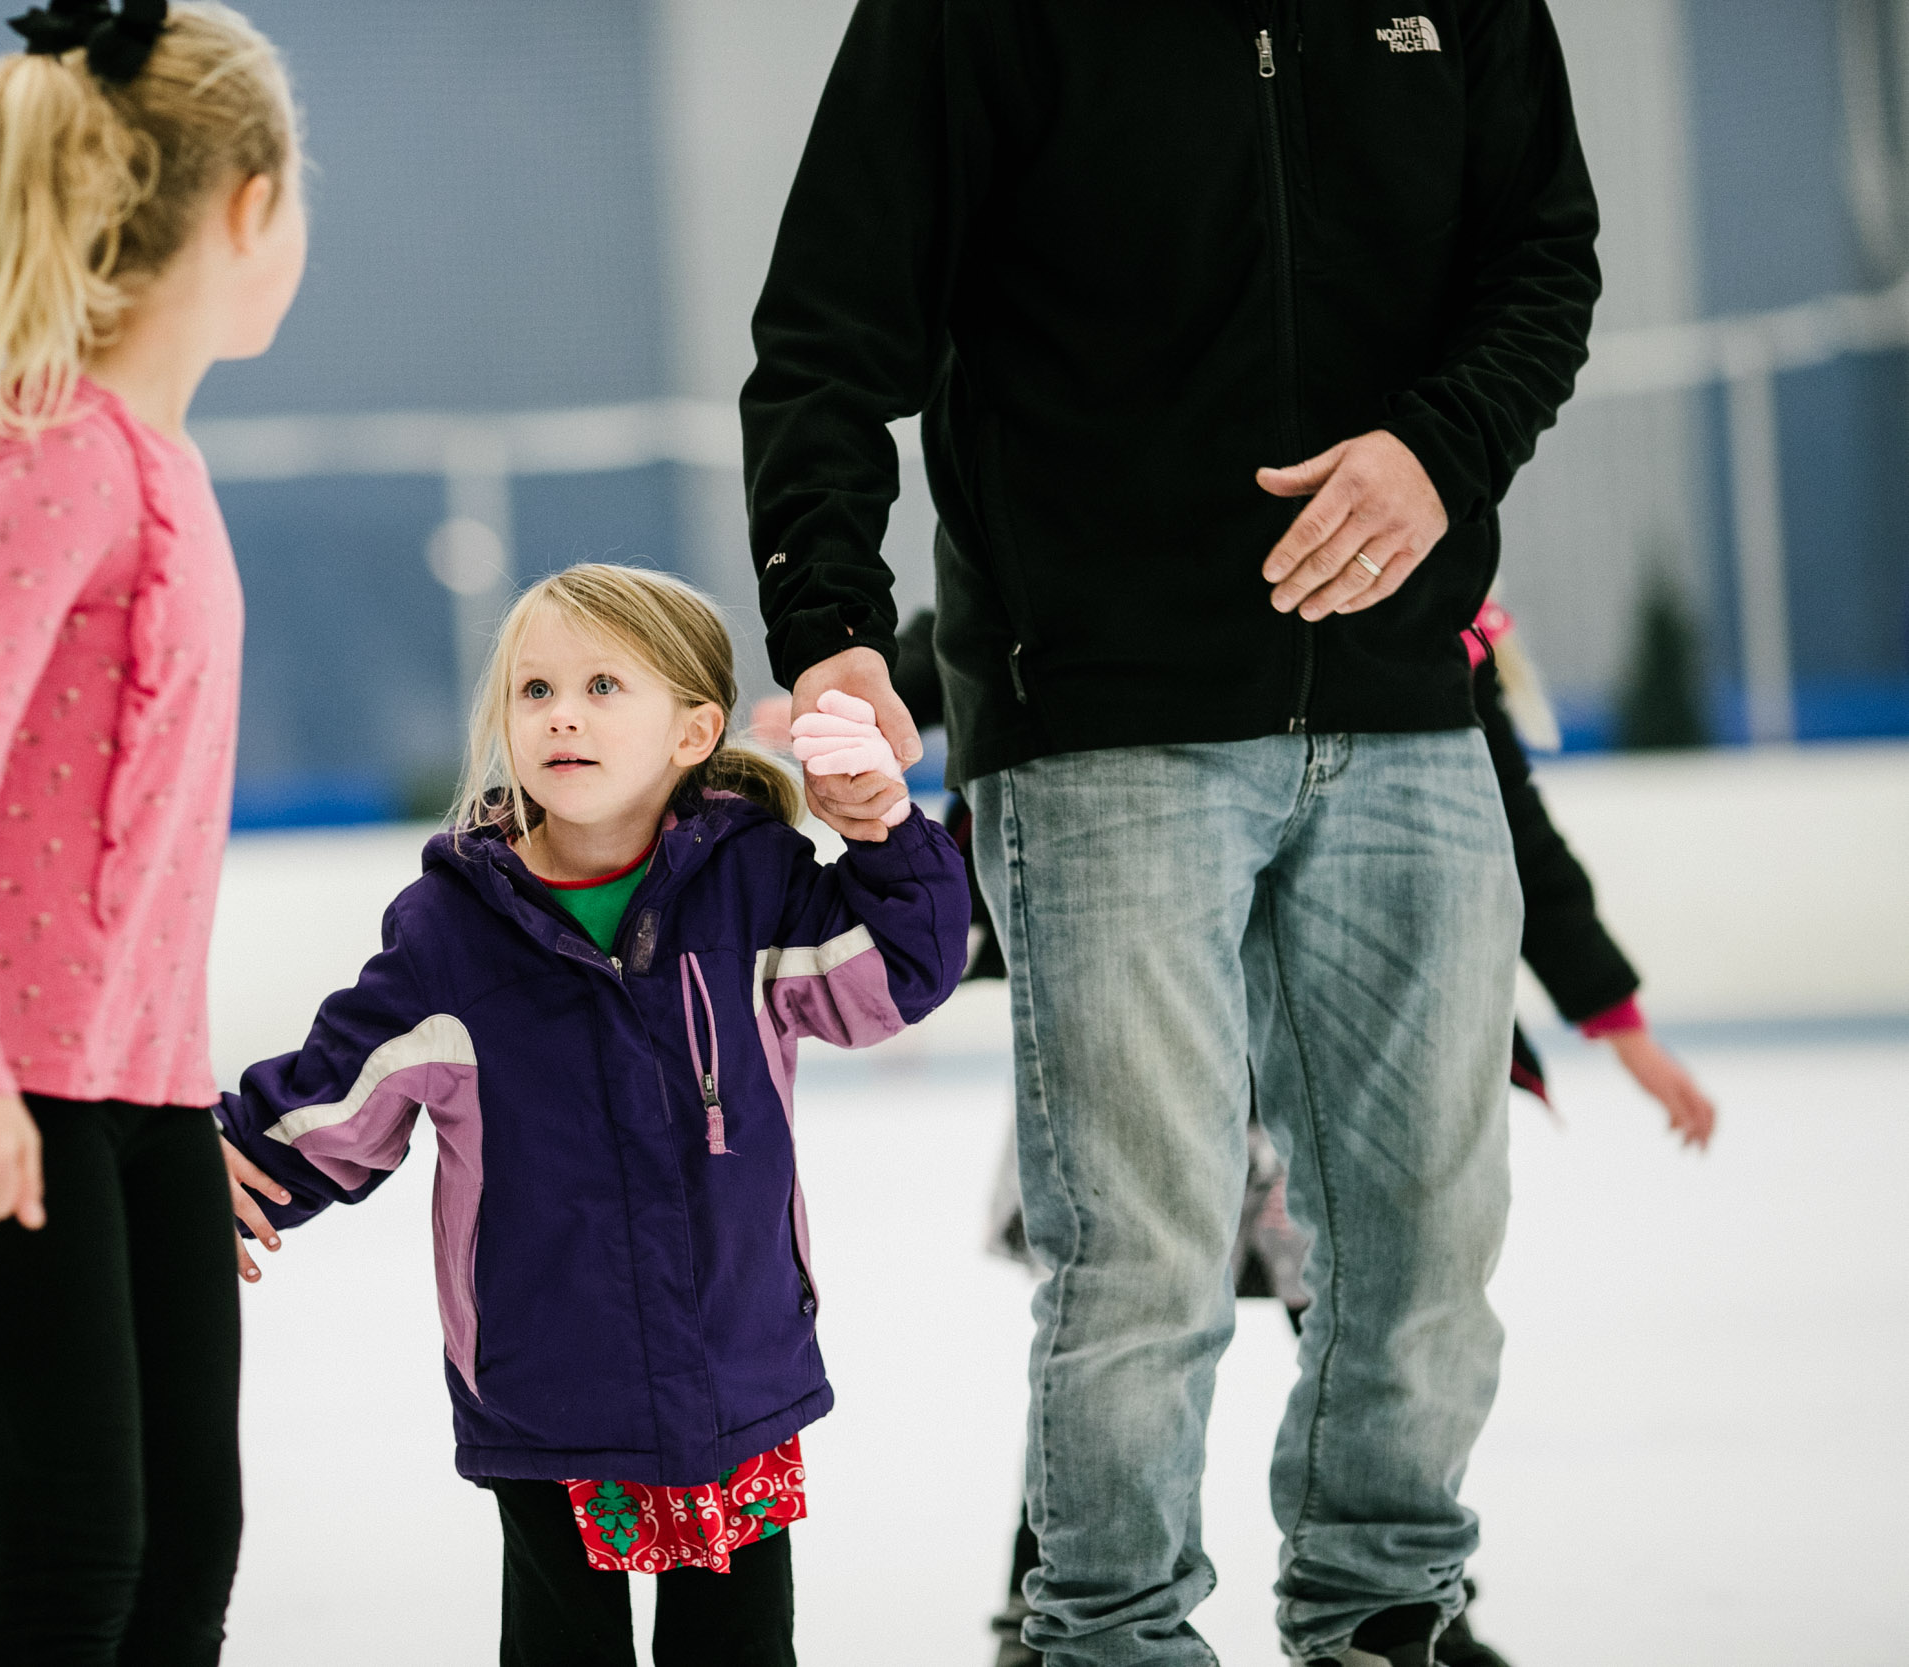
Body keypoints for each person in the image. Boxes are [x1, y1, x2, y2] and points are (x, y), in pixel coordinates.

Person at [741, 4, 1602, 1663]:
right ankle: (1108, 1638)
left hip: (1406, 702)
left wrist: (1442, 450)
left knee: (1427, 1245)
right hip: (1100, 718)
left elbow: (1542, 261)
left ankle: (1383, 1622)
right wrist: (833, 620)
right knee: (1139, 1253)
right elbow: (832, 321)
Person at [802, 604, 1716, 1667]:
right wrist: (843, 683)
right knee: (1123, 1314)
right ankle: (1056, 1598)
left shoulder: (1419, 655)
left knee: (1367, 1296)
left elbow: (1521, 844)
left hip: (1311, 1079)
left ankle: (1401, 1598)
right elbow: (965, 630)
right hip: (1144, 1017)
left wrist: (1619, 1018)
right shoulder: (1126, 574)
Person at [212, 564, 971, 1666]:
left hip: (735, 1364)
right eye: (533, 689)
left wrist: (888, 829)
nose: (561, 711)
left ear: (692, 729)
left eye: (604, 684)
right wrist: (202, 1160)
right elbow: (337, 1094)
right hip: (545, 1386)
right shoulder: (450, 935)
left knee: (738, 1648)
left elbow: (900, 968)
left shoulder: (752, 886)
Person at [0, 4, 302, 1661]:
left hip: (125, 1084)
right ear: (250, 208)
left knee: (187, 1542)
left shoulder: (148, 456)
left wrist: (172, 1126)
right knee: (77, 1551)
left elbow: (127, 842)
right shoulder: (61, 453)